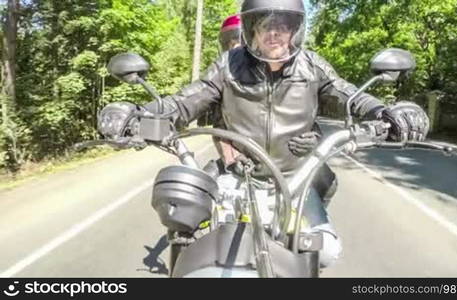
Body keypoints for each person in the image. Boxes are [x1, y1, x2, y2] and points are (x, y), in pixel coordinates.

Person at [100, 0, 430, 267]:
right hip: (236, 176)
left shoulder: (312, 66)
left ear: (295, 31)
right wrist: (140, 113)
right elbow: (185, 101)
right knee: (187, 234)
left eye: (283, 26)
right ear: (251, 30)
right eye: (265, 25)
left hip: (295, 179)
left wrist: (386, 113)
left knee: (325, 250)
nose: (274, 34)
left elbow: (350, 96)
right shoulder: (229, 65)